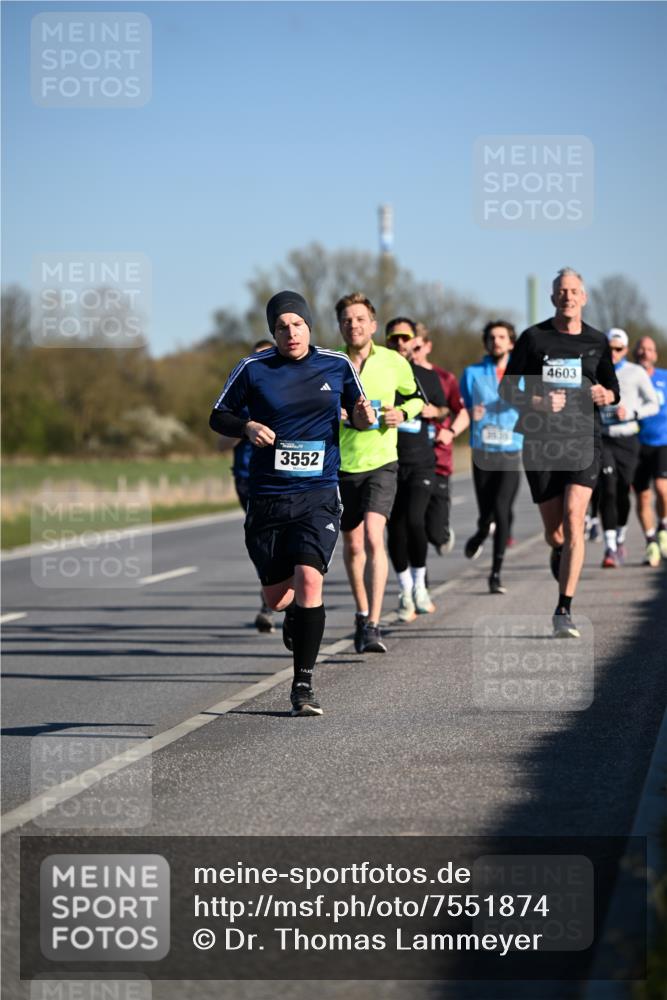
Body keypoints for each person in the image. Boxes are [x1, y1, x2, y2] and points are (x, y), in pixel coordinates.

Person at [210, 291, 374, 715]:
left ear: (308, 326)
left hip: (318, 492)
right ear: (273, 332)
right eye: (281, 327)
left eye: (297, 324)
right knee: (281, 598)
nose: (290, 332)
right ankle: (294, 621)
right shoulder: (253, 368)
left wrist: (364, 417)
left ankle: (303, 685)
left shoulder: (336, 365)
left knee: (310, 578)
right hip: (267, 498)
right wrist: (246, 426)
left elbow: (355, 414)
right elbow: (218, 415)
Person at [499, 268, 619, 637]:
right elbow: (506, 389)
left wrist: (606, 395)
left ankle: (563, 608)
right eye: (561, 291)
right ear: (553, 299)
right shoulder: (534, 338)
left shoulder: (597, 341)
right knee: (556, 533)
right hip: (541, 443)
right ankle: (559, 551)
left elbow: (613, 389)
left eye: (573, 291)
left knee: (574, 517)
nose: (567, 296)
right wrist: (535, 400)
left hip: (584, 441)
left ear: (583, 297)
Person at [336, 293, 422, 651]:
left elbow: (416, 397)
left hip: (382, 462)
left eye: (360, 319)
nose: (353, 325)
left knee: (374, 536)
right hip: (341, 464)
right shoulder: (331, 362)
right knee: (353, 544)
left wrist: (403, 414)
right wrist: (333, 415)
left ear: (372, 325)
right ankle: (360, 612)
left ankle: (373, 623)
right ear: (340, 326)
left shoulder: (393, 361)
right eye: (346, 320)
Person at [384, 317, 449, 621]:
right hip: (388, 461)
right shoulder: (379, 375)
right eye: (393, 339)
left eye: (404, 338)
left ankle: (421, 585)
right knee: (395, 527)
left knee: (414, 520)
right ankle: (405, 590)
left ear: (413, 342)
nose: (399, 343)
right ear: (386, 341)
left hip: (422, 461)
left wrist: (434, 410)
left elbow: (444, 407)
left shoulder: (426, 375)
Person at [459, 321, 522, 594]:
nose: (497, 341)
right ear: (486, 343)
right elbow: (461, 408)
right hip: (482, 451)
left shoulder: (522, 375)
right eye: (492, 337)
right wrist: (469, 415)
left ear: (511, 343)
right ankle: (482, 532)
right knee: (487, 512)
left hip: (511, 449)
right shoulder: (472, 374)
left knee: (501, 506)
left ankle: (496, 573)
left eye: (502, 337)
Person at [597, 329, 659, 568]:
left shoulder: (636, 372)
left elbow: (652, 403)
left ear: (625, 350)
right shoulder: (594, 370)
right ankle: (609, 547)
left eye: (618, 349)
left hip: (627, 439)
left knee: (623, 491)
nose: (612, 353)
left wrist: (632, 413)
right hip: (603, 438)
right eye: (608, 348)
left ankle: (620, 536)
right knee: (608, 489)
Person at [229, 338, 277, 631]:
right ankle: (268, 597)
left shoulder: (287, 392)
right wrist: (245, 426)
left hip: (281, 478)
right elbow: (220, 441)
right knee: (263, 540)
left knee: (282, 539)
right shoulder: (242, 395)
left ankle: (277, 597)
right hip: (247, 478)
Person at [411, 325, 469, 557]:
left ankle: (442, 534)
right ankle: (419, 581)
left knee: (434, 533)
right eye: (409, 347)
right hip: (409, 459)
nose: (412, 353)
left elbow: (463, 412)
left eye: (417, 347)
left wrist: (451, 432)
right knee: (412, 523)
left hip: (438, 460)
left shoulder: (444, 378)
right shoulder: (395, 374)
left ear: (428, 346)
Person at [632, 335, 667, 566]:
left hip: (663, 442)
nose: (645, 352)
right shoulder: (626, 378)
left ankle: (663, 526)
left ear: (655, 355)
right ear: (635, 353)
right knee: (643, 496)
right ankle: (651, 542)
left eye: (649, 349)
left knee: (662, 489)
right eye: (641, 349)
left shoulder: (664, 378)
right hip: (635, 445)